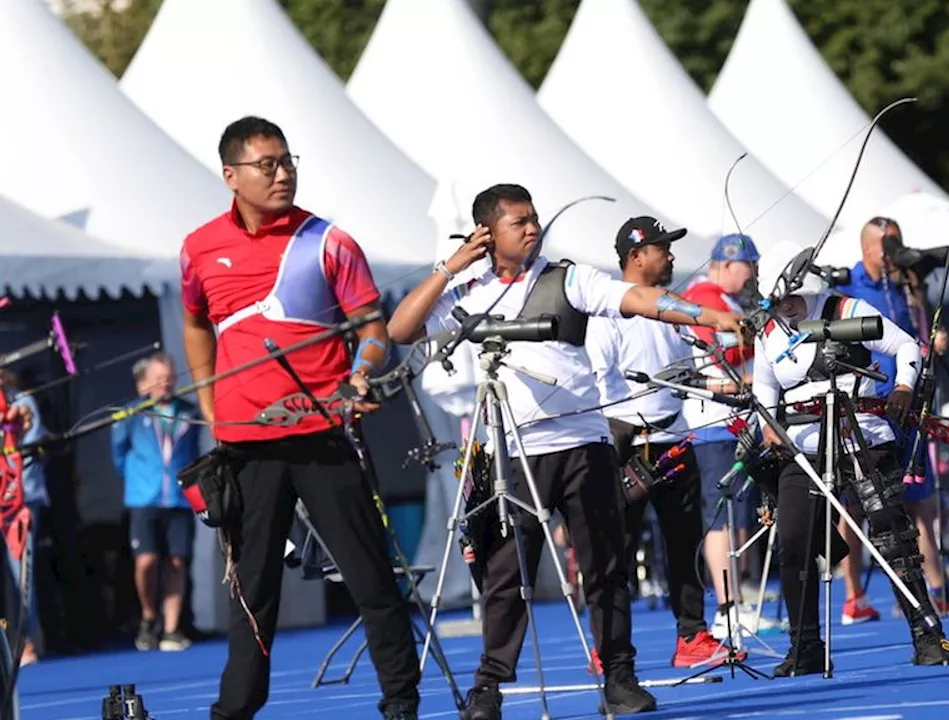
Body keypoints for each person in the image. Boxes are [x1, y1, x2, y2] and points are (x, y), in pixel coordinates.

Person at [386, 183, 744, 720]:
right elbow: (401, 329)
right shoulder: (467, 292)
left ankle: (619, 677)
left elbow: (638, 298)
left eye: (534, 218)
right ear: (488, 232)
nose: (532, 228)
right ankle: (488, 688)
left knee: (605, 567)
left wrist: (706, 316)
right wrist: (450, 264)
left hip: (583, 446)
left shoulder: (568, 277)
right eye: (518, 222)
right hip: (515, 454)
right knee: (507, 574)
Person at [180, 116, 421, 720]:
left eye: (288, 162)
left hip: (321, 433)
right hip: (245, 448)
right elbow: (194, 323)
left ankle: (401, 701)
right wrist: (211, 405)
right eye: (268, 165)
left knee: (370, 577)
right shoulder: (199, 248)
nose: (283, 174)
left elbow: (372, 328)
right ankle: (235, 710)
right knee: (251, 591)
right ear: (231, 175)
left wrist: (361, 372)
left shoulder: (329, 241)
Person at [751, 242, 949, 676]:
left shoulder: (846, 309)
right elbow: (764, 389)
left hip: (862, 434)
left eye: (791, 297)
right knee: (794, 541)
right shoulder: (767, 330)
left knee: (891, 533)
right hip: (803, 444)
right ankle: (805, 647)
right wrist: (767, 423)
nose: (785, 307)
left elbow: (908, 349)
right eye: (777, 301)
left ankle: (926, 634)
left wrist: (903, 387)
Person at [585, 216, 732, 668]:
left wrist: (727, 385)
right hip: (626, 447)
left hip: (675, 441)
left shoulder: (674, 310)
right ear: (636, 257)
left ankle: (692, 638)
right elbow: (597, 385)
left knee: (684, 547)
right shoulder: (607, 312)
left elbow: (696, 371)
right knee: (616, 554)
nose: (669, 255)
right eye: (661, 248)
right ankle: (607, 647)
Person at [831, 217, 949, 623]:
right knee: (855, 504)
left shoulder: (905, 286)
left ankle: (933, 587)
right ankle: (854, 595)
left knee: (919, 499)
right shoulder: (847, 290)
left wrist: (931, 333)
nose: (893, 253)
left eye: (898, 243)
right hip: (867, 409)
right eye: (887, 246)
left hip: (909, 408)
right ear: (866, 249)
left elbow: (913, 338)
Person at [681, 233, 761, 632]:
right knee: (721, 515)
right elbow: (724, 353)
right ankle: (727, 606)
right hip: (714, 420)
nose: (752, 275)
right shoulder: (706, 297)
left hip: (734, 421)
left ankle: (739, 598)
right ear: (730, 264)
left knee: (738, 512)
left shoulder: (724, 300)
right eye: (749, 265)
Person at [109, 352, 202, 653]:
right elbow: (119, 454)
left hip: (178, 499)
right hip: (143, 498)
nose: (165, 384)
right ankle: (150, 616)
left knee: (177, 561)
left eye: (169, 378)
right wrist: (138, 481)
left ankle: (172, 628)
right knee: (147, 561)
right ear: (142, 384)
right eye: (158, 379)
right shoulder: (130, 415)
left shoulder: (188, 413)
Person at [0, 369, 47, 666]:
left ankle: (26, 642)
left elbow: (28, 445)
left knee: (21, 573)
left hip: (19, 500)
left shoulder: (23, 402)